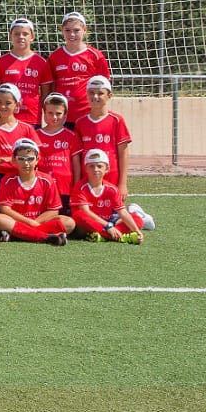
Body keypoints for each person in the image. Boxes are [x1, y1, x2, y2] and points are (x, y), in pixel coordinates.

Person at [72, 77, 140, 218]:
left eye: (100, 93)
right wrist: (77, 182)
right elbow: (78, 157)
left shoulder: (117, 120)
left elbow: (123, 153)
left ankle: (137, 216)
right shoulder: (80, 122)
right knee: (90, 215)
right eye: (91, 92)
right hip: (89, 176)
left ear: (109, 96)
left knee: (112, 214)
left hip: (111, 177)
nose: (95, 96)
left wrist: (122, 183)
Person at [0, 138, 71, 245]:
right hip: (17, 222)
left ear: (37, 159)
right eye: (21, 159)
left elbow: (53, 210)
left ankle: (19, 235)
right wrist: (29, 222)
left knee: (69, 222)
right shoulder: (7, 180)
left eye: (30, 159)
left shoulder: (47, 180)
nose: (26, 163)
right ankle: (45, 237)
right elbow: (5, 209)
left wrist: (35, 223)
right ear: (14, 160)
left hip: (39, 221)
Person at [69, 150, 144, 243]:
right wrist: (107, 226)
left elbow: (122, 212)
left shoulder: (112, 189)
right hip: (95, 223)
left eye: (99, 166)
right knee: (79, 215)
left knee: (138, 219)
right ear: (86, 169)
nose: (96, 169)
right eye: (91, 166)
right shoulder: (80, 187)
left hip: (110, 222)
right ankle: (119, 236)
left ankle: (105, 236)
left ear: (107, 168)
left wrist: (137, 231)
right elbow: (86, 212)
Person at [48, 12, 112, 117]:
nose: (72, 34)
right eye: (67, 30)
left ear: (84, 30)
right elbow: (50, 87)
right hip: (61, 115)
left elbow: (104, 87)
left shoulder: (96, 56)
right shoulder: (54, 57)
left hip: (88, 114)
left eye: (76, 30)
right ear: (62, 31)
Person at [0, 17, 51, 125]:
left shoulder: (42, 62)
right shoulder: (0, 62)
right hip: (7, 119)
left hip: (32, 118)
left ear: (32, 37)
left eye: (25, 34)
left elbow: (45, 94)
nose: (21, 37)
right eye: (17, 34)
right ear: (10, 36)